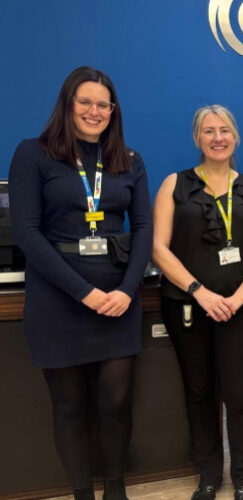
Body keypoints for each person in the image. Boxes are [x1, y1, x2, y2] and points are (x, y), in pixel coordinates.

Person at [9, 66, 152, 500]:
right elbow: (27, 233)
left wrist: (126, 291)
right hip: (59, 299)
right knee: (69, 406)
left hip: (117, 300)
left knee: (116, 404)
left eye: (103, 104)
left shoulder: (129, 161)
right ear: (68, 105)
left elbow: (144, 227)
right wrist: (84, 292)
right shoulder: (33, 154)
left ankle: (115, 490)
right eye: (85, 102)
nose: (95, 111)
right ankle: (81, 494)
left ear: (114, 110)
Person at [152, 105, 243, 500]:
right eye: (209, 131)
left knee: (238, 393)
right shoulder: (175, 184)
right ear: (197, 138)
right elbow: (158, 248)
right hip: (187, 306)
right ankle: (208, 474)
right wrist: (200, 292)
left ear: (235, 137)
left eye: (225, 130)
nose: (217, 137)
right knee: (200, 391)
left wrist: (239, 298)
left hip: (238, 309)